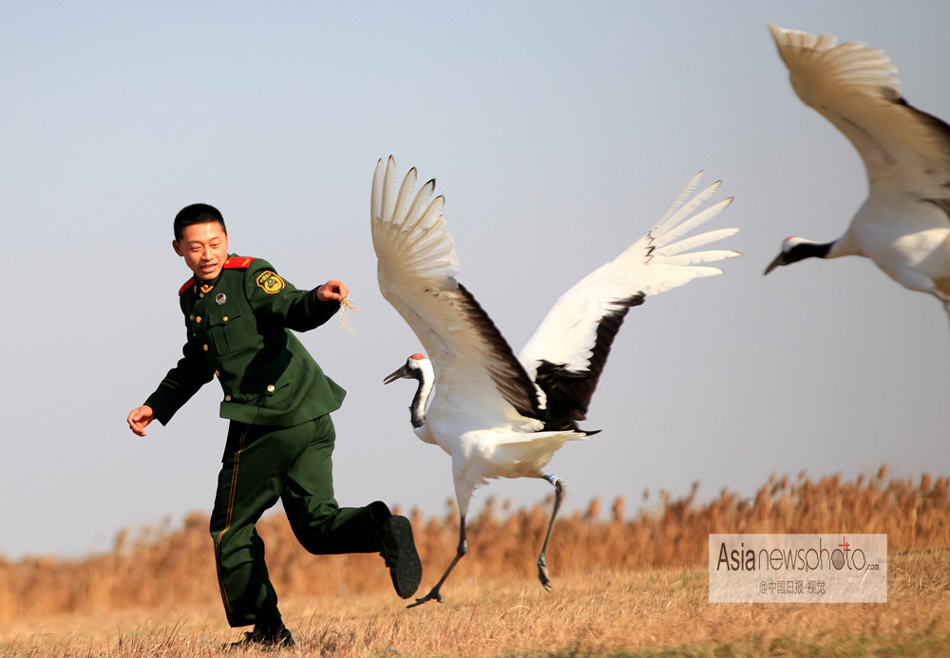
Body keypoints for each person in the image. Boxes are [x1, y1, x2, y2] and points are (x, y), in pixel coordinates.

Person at [127, 203, 421, 649]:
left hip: (268, 421)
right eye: (196, 247)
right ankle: (381, 529)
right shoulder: (191, 298)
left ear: (227, 240)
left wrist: (320, 297)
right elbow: (197, 363)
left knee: (230, 527)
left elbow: (290, 306)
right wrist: (157, 404)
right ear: (178, 250)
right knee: (316, 528)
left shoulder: (249, 275)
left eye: (215, 243)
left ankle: (267, 632)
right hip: (312, 416)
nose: (207, 253)